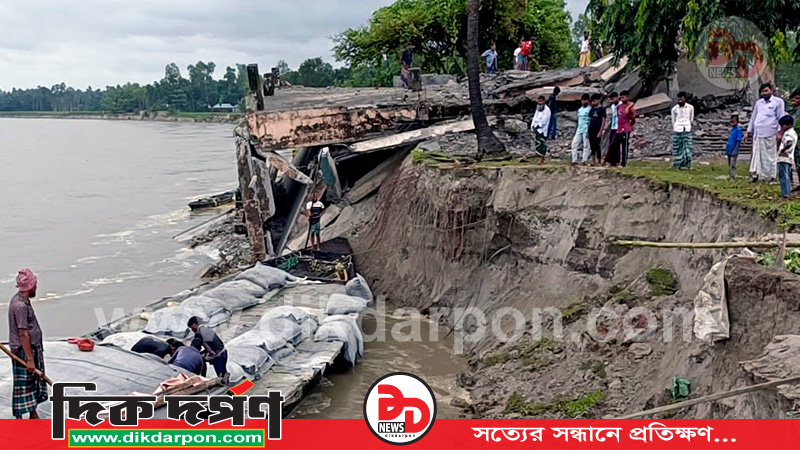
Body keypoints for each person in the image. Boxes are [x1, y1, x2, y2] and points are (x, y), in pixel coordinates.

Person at [8, 269, 47, 419]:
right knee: (23, 384)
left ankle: (33, 412)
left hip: (31, 348)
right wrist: (29, 359)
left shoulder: (23, 301)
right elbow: (23, 333)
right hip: (24, 350)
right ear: (30, 286)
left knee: (33, 381)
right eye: (35, 285)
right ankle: (20, 418)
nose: (36, 287)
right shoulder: (19, 306)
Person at [746, 82, 785, 182]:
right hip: (758, 133)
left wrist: (780, 132)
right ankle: (756, 175)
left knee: (770, 156)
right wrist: (748, 131)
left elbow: (781, 117)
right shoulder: (759, 103)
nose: (764, 93)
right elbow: (754, 117)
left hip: (771, 133)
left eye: (766, 90)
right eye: (762, 91)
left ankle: (771, 177)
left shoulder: (778, 102)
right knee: (757, 155)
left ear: (771, 91)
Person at [188, 316, 228, 383]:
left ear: (194, 325)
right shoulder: (207, 329)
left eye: (191, 327)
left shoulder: (199, 333)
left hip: (218, 356)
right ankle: (229, 387)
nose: (191, 329)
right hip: (223, 353)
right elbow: (210, 345)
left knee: (222, 377)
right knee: (224, 373)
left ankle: (203, 379)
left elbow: (196, 347)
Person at [671, 92, 695, 169]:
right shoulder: (674, 109)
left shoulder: (690, 108)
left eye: (681, 99)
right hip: (678, 129)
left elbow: (691, 119)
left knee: (688, 148)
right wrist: (677, 126)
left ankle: (688, 165)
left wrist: (687, 125)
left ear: (684, 98)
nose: (680, 100)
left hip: (687, 129)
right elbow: (673, 120)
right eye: (679, 99)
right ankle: (678, 165)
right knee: (678, 148)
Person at [777, 115, 797, 199]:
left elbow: (789, 143)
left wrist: (782, 150)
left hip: (784, 158)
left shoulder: (788, 133)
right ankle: (788, 193)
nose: (781, 127)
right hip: (790, 158)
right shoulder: (794, 133)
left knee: (783, 176)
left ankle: (785, 195)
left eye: (782, 125)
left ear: (788, 125)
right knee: (787, 176)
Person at [616, 90, 636, 167]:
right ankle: (616, 161)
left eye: (623, 97)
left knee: (624, 146)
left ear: (627, 97)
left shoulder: (630, 108)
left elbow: (633, 118)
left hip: (626, 128)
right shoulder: (619, 107)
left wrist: (629, 126)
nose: (622, 99)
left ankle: (624, 163)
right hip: (619, 128)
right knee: (617, 145)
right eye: (620, 98)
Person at [571, 94, 592, 165]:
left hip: (586, 129)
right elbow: (578, 120)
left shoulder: (590, 109)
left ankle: (584, 160)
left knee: (586, 145)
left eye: (585, 100)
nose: (583, 102)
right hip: (579, 129)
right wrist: (575, 130)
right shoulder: (580, 109)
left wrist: (589, 131)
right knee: (574, 144)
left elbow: (590, 120)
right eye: (582, 100)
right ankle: (574, 160)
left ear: (588, 101)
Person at [530, 95, 552, 164]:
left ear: (544, 101)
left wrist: (539, 126)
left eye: (541, 101)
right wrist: (533, 126)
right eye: (538, 101)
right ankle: (538, 158)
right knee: (537, 143)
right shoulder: (538, 109)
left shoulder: (547, 110)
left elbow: (544, 120)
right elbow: (535, 117)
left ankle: (542, 159)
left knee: (542, 144)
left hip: (543, 129)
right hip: (536, 129)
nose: (539, 102)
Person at [588, 93, 607, 166]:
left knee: (597, 145)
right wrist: (588, 129)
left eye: (594, 101)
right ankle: (593, 160)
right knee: (592, 145)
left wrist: (601, 131)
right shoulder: (592, 109)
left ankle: (599, 160)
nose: (593, 103)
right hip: (591, 129)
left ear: (598, 100)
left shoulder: (602, 109)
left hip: (597, 129)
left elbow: (603, 120)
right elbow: (590, 119)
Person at [726, 115, 744, 179]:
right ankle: (730, 174)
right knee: (729, 163)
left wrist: (735, 150)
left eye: (733, 122)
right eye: (731, 122)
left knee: (733, 164)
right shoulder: (732, 130)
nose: (731, 123)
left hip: (734, 148)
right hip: (729, 148)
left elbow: (738, 140)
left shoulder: (738, 130)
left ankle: (733, 176)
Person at [603, 92, 620, 166]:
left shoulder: (621, 105)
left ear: (617, 97)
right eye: (611, 100)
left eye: (613, 99)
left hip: (619, 127)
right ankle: (612, 161)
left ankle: (615, 161)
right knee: (611, 143)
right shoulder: (613, 106)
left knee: (615, 144)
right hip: (613, 127)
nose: (612, 101)